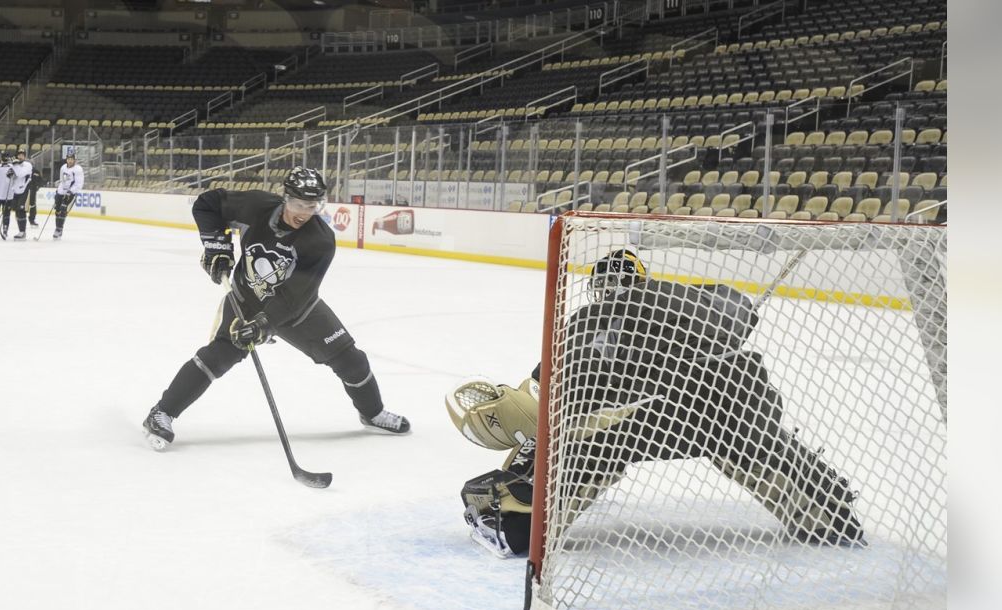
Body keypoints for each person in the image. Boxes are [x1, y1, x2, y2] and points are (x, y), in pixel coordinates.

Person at [447, 248, 866, 558]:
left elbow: (544, 400)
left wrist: (525, 440)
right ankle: (824, 503)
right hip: (716, 412)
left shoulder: (585, 322)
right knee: (749, 439)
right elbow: (734, 310)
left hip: (651, 421)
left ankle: (521, 517)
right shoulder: (681, 299)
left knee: (587, 442)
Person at [142, 166, 411, 451]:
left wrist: (263, 325)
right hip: (246, 299)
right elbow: (207, 205)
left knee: (352, 361)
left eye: (311, 205)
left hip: (299, 310)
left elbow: (292, 297)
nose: (303, 212)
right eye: (297, 204)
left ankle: (373, 413)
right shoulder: (255, 206)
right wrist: (217, 248)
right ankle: (162, 413)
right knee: (219, 355)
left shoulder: (320, 241)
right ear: (285, 198)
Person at [0, 152, 24, 239]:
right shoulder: (14, 167)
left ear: (1, 158)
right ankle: (5, 230)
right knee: (6, 213)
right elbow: (18, 179)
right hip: (9, 195)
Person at [51, 153, 84, 240]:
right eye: (68, 159)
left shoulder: (78, 169)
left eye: (71, 159)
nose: (70, 160)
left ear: (74, 160)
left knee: (63, 209)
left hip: (71, 193)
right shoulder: (63, 167)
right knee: (57, 210)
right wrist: (59, 191)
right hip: (62, 191)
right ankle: (58, 228)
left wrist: (70, 192)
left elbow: (79, 184)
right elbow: (62, 181)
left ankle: (58, 229)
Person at [7, 149, 34, 240]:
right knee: (17, 212)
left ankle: (23, 232)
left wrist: (15, 165)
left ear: (25, 156)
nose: (20, 156)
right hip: (15, 191)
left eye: (22, 155)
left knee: (21, 211)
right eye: (19, 155)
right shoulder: (15, 165)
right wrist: (9, 175)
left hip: (24, 191)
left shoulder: (28, 165)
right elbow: (12, 177)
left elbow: (20, 174)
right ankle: (21, 231)